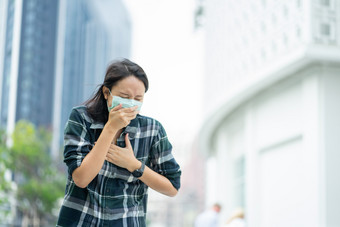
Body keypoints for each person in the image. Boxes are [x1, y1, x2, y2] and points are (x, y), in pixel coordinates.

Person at [56, 59, 181, 227]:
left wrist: (134, 165)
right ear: (107, 93)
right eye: (124, 97)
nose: (131, 102)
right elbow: (81, 178)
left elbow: (172, 187)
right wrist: (110, 129)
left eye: (138, 98)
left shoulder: (152, 130)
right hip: (80, 221)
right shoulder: (81, 118)